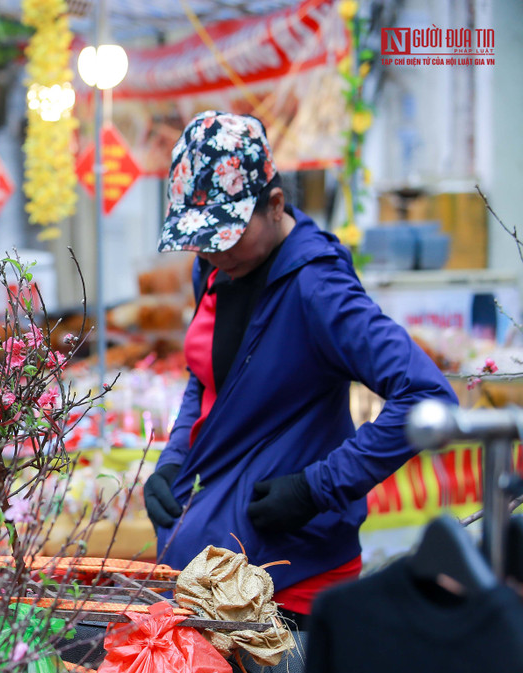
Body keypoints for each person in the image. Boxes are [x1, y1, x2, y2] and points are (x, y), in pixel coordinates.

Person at [143, 111, 458, 626]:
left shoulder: (319, 290)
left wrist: (317, 488)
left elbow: (426, 398)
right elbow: (205, 375)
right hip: (214, 577)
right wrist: (176, 457)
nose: (213, 252)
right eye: (203, 238)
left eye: (227, 234)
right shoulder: (216, 266)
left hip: (292, 588)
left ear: (275, 205)